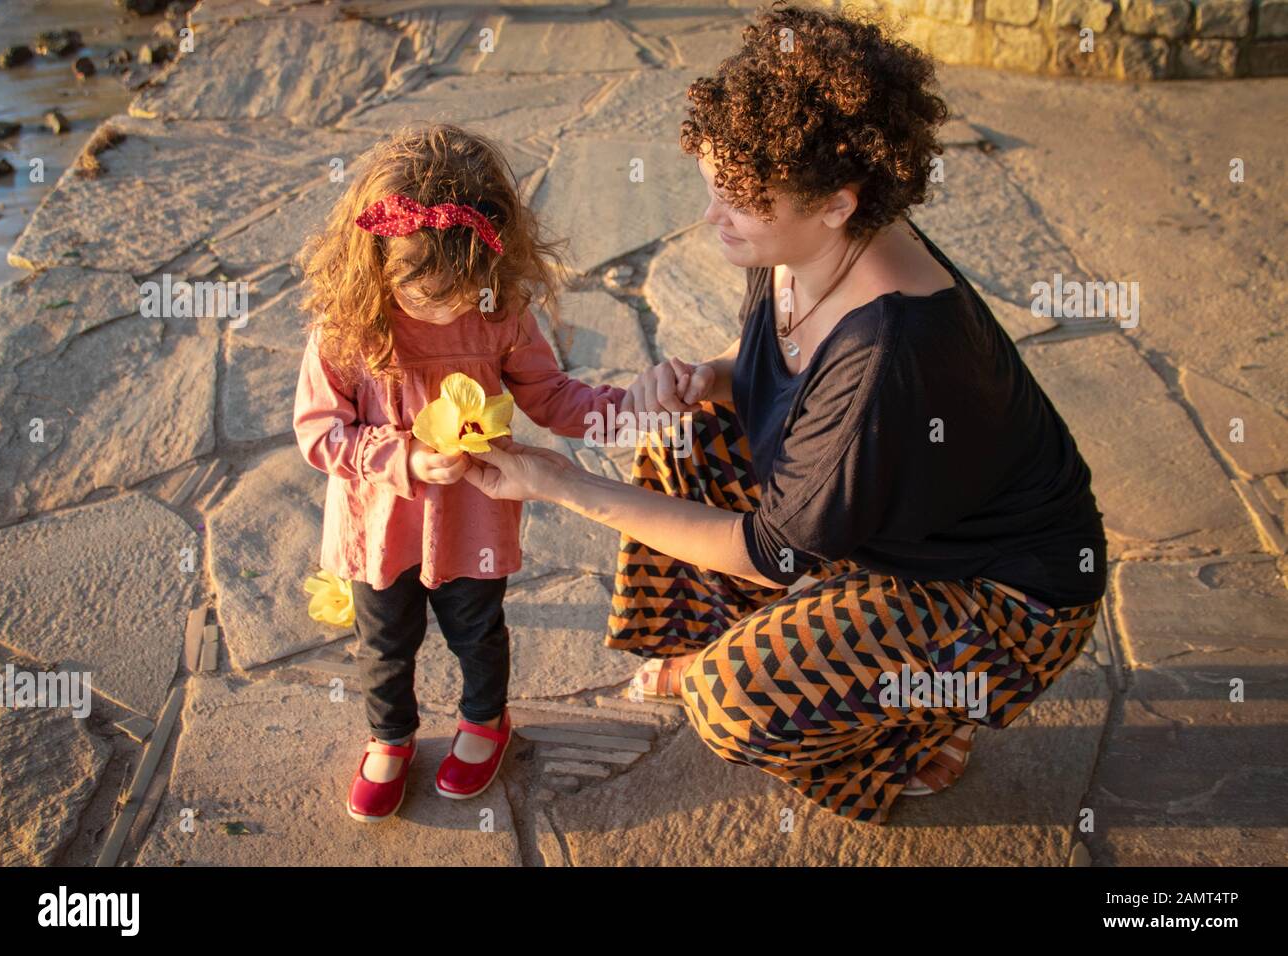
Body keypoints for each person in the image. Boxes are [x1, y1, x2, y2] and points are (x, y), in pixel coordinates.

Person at [460, 5, 1107, 824]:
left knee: (734, 702)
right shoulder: (816, 241)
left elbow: (772, 552)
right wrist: (710, 379)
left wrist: (560, 484)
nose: (711, 216)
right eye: (714, 189)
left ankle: (916, 724)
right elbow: (788, 373)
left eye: (737, 199)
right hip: (898, 513)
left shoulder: (891, 352)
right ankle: (758, 646)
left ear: (837, 203)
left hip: (998, 597)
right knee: (684, 437)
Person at [292, 124, 626, 821]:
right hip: (379, 529)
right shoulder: (349, 328)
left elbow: (550, 396)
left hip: (474, 521)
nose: (446, 306)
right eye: (423, 289)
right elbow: (320, 433)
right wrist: (402, 457)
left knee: (479, 630)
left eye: (462, 287)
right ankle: (390, 737)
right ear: (375, 258)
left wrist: (624, 413)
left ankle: (483, 722)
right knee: (384, 641)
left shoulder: (499, 314)